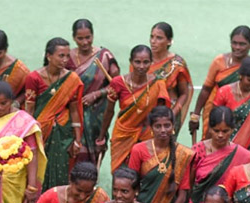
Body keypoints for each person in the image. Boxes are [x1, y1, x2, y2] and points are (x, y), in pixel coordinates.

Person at [23, 37, 84, 192]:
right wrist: (25, 136)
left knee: (61, 172)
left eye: (67, 56)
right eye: (61, 56)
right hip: (40, 133)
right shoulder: (34, 78)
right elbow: (29, 109)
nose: (65, 60)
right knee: (37, 172)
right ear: (48, 56)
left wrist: (77, 140)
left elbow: (74, 110)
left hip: (63, 135)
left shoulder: (72, 79)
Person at [191, 26, 250, 141]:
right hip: (215, 109)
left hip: (244, 115)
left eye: (242, 44)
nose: (237, 47)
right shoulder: (219, 61)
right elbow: (206, 88)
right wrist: (195, 115)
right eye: (234, 43)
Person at [100, 45, 168, 172]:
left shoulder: (158, 84)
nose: (141, 66)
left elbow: (161, 115)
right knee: (120, 174)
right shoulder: (118, 82)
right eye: (137, 62)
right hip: (122, 135)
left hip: (147, 135)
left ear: (151, 62)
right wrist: (101, 137)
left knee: (145, 173)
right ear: (130, 61)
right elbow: (109, 111)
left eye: (146, 62)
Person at [67, 19, 118, 165]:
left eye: (88, 37)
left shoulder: (104, 57)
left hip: (97, 117)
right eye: (80, 38)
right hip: (73, 115)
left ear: (93, 36)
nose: (84, 42)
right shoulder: (67, 57)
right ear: (73, 38)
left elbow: (117, 86)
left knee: (94, 151)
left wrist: (96, 94)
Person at [186, 106, 250, 203]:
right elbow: (188, 186)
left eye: (225, 131)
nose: (220, 135)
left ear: (232, 129)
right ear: (209, 129)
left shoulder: (243, 156)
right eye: (216, 130)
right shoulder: (197, 152)